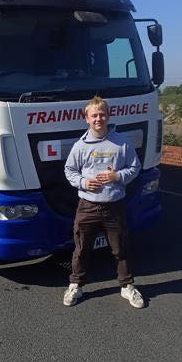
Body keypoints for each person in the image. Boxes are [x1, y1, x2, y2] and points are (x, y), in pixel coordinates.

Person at [63, 96, 144, 308]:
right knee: (81, 248)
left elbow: (135, 168)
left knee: (120, 248)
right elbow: (69, 170)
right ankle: (76, 285)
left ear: (108, 116)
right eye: (94, 115)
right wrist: (83, 182)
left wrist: (116, 176)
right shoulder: (80, 146)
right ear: (86, 119)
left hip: (114, 205)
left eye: (102, 114)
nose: (98, 118)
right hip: (87, 206)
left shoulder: (122, 142)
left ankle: (127, 287)